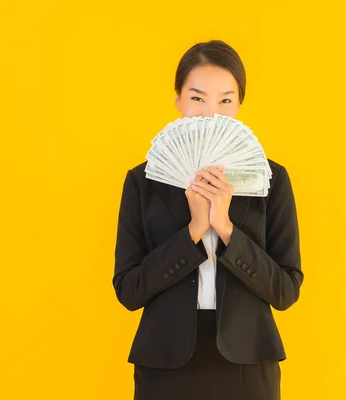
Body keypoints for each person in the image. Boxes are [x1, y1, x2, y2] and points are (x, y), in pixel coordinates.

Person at [113, 39, 303, 400]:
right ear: (178, 101)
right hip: (164, 364)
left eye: (225, 100)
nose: (211, 113)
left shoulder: (271, 179)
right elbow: (129, 289)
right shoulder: (143, 182)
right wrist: (194, 230)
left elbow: (285, 290)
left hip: (249, 364)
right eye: (197, 98)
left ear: (240, 106)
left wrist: (226, 228)